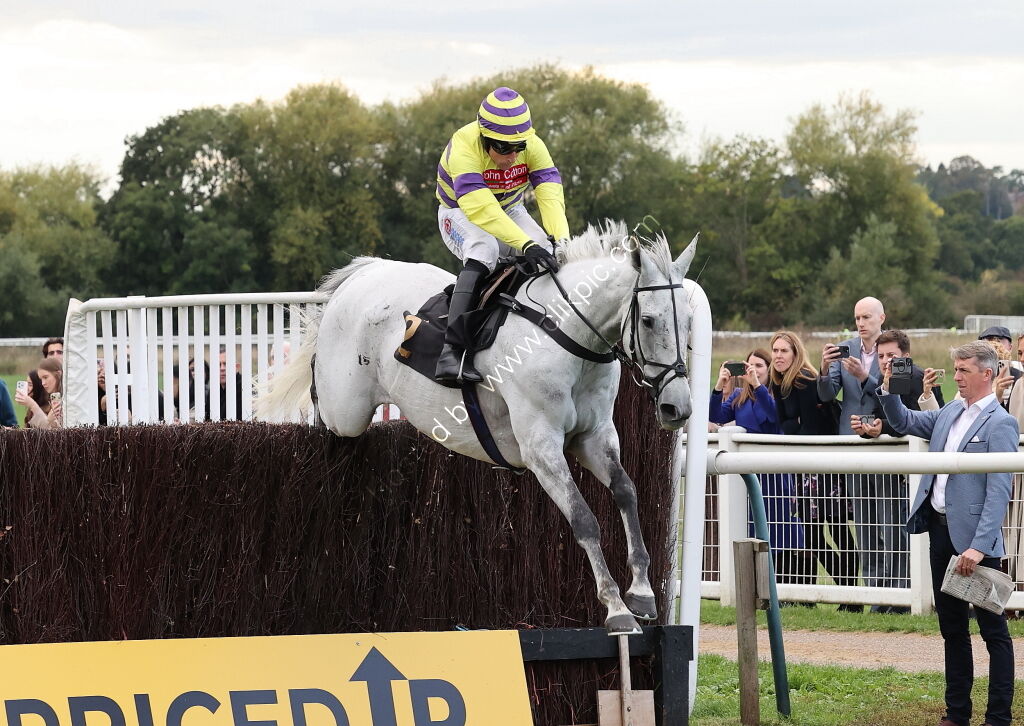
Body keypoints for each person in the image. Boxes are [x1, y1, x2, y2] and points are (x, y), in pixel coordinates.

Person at [878, 340, 1016, 726]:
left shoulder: (1002, 423)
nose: (956, 377)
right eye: (955, 370)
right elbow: (904, 422)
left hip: (975, 545)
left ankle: (998, 718)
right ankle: (957, 713)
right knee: (952, 629)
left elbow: (999, 489)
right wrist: (888, 389)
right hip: (940, 537)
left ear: (986, 374)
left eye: (964, 371)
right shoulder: (950, 411)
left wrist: (978, 546)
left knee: (993, 632)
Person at [434, 86, 567, 383]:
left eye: (518, 147)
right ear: (483, 137)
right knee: (485, 250)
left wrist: (561, 239)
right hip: (460, 212)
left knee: (548, 249)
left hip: (509, 208)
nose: (511, 156)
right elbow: (480, 208)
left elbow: (549, 194)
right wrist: (524, 243)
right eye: (502, 148)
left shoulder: (533, 144)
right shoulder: (464, 145)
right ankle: (450, 352)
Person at [852, 329, 945, 611]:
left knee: (899, 535)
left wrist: (882, 427)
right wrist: (870, 429)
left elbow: (915, 421)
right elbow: (890, 419)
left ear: (905, 355)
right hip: (899, 466)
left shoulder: (911, 376)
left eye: (891, 355)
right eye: (880, 356)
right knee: (887, 532)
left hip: (914, 471)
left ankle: (901, 600)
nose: (885, 361)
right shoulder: (887, 377)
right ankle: (890, 598)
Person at [769, 331, 859, 608]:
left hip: (824, 465)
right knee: (812, 533)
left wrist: (793, 424)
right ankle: (847, 592)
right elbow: (785, 424)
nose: (778, 356)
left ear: (796, 354)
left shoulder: (806, 379)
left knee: (839, 528)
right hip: (803, 467)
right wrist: (793, 424)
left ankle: (850, 596)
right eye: (775, 351)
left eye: (784, 351)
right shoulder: (779, 383)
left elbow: (809, 425)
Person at [712, 349, 806, 586]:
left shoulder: (776, 393)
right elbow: (715, 415)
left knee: (778, 526)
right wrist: (718, 387)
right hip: (749, 472)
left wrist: (757, 386)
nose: (753, 370)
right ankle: (755, 584)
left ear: (768, 369)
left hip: (774, 471)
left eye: (759, 366)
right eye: (749, 366)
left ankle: (783, 584)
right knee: (751, 525)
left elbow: (773, 416)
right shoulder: (737, 395)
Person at [819, 297, 891, 605]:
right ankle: (872, 594)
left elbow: (896, 393)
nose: (860, 323)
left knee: (888, 523)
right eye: (857, 317)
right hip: (850, 442)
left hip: (886, 442)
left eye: (866, 317)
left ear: (881, 318)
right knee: (863, 524)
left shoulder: (892, 349)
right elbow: (826, 395)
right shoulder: (844, 348)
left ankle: (893, 595)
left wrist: (866, 377)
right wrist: (824, 368)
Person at [16, 358, 63, 429]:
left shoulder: (66, 400)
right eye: (41, 379)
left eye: (46, 377)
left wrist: (32, 405)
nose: (43, 383)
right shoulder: (51, 401)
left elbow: (49, 433)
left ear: (58, 374)